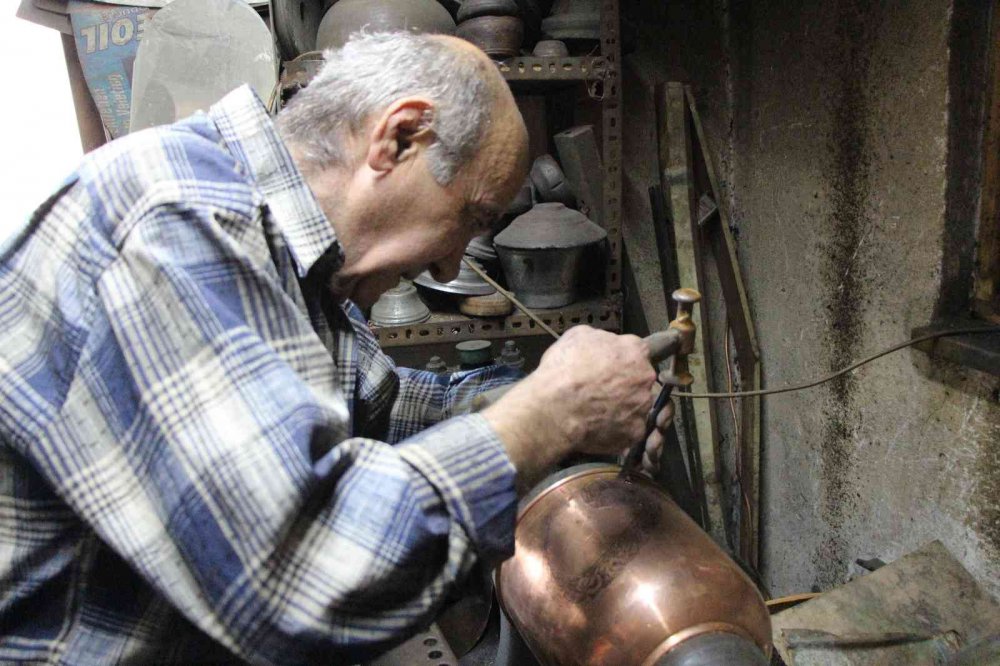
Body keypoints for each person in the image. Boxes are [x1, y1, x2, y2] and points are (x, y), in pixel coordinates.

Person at [0, 32, 670, 664]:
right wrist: (549, 414)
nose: (446, 270)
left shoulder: (289, 255)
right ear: (400, 137)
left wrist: (537, 409)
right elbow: (302, 572)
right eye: (472, 216)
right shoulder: (175, 213)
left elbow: (366, 400)